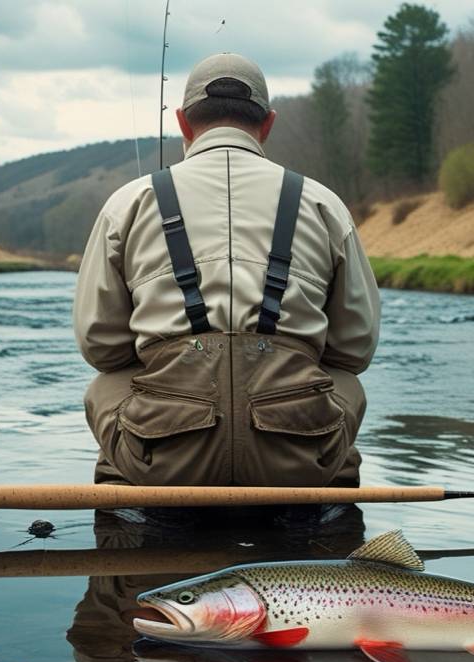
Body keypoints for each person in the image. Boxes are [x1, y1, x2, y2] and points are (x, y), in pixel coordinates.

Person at [74, 52, 379, 488]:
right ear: (268, 124)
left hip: (163, 456)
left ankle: (126, 512)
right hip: (298, 454)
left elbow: (101, 346)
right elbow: (353, 350)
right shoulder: (323, 204)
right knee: (347, 382)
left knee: (106, 383)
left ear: (182, 123)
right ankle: (328, 514)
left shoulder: (128, 204)